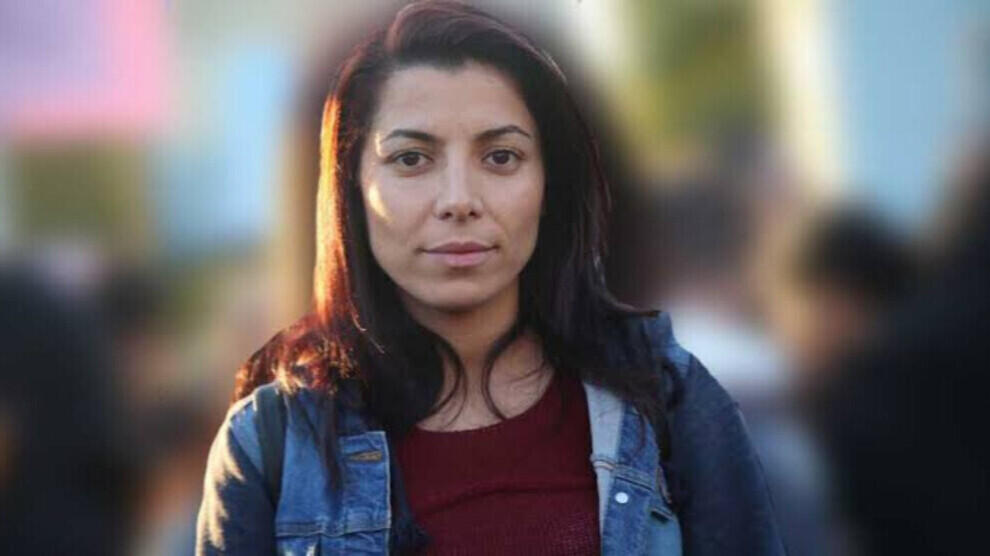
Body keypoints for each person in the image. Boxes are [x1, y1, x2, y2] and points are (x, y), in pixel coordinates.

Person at [195, 2, 783, 554]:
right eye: (411, 159)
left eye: (500, 157)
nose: (459, 200)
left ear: (549, 186)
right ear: (351, 188)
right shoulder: (272, 443)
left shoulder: (669, 402)